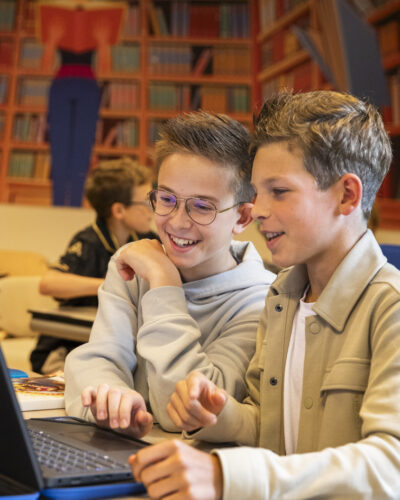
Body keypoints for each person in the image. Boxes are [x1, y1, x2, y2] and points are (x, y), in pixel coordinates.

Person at [129, 91, 400, 500]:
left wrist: (229, 475)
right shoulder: (282, 296)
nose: (256, 210)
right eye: (257, 192)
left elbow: (390, 465)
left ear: (346, 195)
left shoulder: (390, 308)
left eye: (280, 191)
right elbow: (267, 424)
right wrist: (219, 414)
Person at [64, 111, 276, 438]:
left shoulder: (261, 302)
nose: (177, 222)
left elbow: (186, 412)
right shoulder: (135, 264)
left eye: (202, 207)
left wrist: (164, 284)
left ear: (243, 217)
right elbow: (98, 360)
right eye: (166, 199)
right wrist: (111, 399)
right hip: (122, 448)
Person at [30, 157, 157, 374]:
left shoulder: (146, 239)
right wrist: (112, 284)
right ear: (119, 211)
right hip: (65, 347)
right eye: (145, 203)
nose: (152, 210)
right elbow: (49, 284)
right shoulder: (89, 241)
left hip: (112, 343)